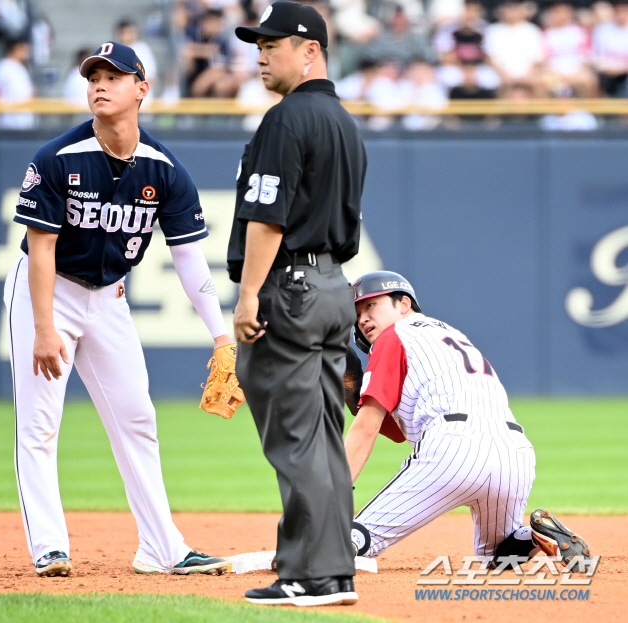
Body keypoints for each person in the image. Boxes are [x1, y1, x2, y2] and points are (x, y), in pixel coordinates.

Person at [4, 41, 233, 578]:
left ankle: (162, 548)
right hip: (48, 291)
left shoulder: (164, 169)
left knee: (138, 419)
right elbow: (40, 250)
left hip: (109, 298)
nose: (99, 84)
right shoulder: (57, 157)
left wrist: (221, 337)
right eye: (93, 76)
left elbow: (189, 261)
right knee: (39, 422)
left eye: (113, 75)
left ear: (142, 88)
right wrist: (43, 327)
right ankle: (49, 546)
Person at [228, 1, 367, 607]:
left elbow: (267, 218)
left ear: (310, 50)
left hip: (289, 288)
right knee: (322, 436)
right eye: (258, 43)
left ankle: (310, 575)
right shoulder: (342, 119)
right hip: (334, 286)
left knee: (296, 437)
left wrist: (249, 295)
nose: (262, 53)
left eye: (274, 43)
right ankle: (332, 571)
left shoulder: (286, 119)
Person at [345, 271, 592, 568]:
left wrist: (334, 490)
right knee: (497, 556)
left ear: (404, 304)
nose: (363, 318)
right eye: (358, 312)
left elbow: (366, 429)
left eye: (371, 305)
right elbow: (398, 431)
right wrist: (356, 396)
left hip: (452, 447)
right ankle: (534, 536)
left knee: (351, 540)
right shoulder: (449, 334)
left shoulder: (392, 336)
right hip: (516, 454)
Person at [0, 37, 35, 130]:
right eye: (23, 48)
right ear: (15, 49)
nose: (27, 52)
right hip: (8, 120)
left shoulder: (21, 68)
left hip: (25, 119)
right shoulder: (3, 66)